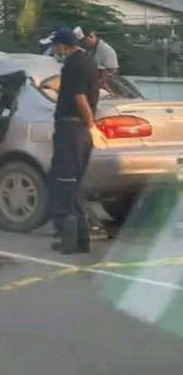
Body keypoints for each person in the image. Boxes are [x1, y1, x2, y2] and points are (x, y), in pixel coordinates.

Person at [48, 27, 108, 254]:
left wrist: (92, 125)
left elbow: (80, 98)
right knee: (72, 183)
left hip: (71, 128)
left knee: (64, 182)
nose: (54, 50)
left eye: (55, 46)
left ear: (63, 45)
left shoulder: (73, 65)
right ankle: (80, 239)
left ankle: (70, 240)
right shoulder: (88, 61)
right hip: (81, 131)